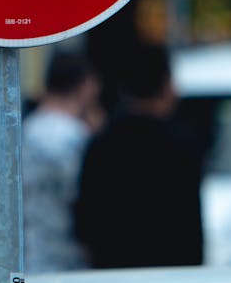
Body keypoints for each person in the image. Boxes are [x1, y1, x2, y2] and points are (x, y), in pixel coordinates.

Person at [74, 40, 203, 269]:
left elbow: (86, 220)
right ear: (166, 86)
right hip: (170, 275)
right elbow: (190, 225)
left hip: (113, 275)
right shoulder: (181, 143)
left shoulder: (103, 142)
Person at [22, 51, 101, 272]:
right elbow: (87, 199)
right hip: (71, 260)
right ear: (85, 87)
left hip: (31, 254)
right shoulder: (76, 138)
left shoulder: (25, 131)